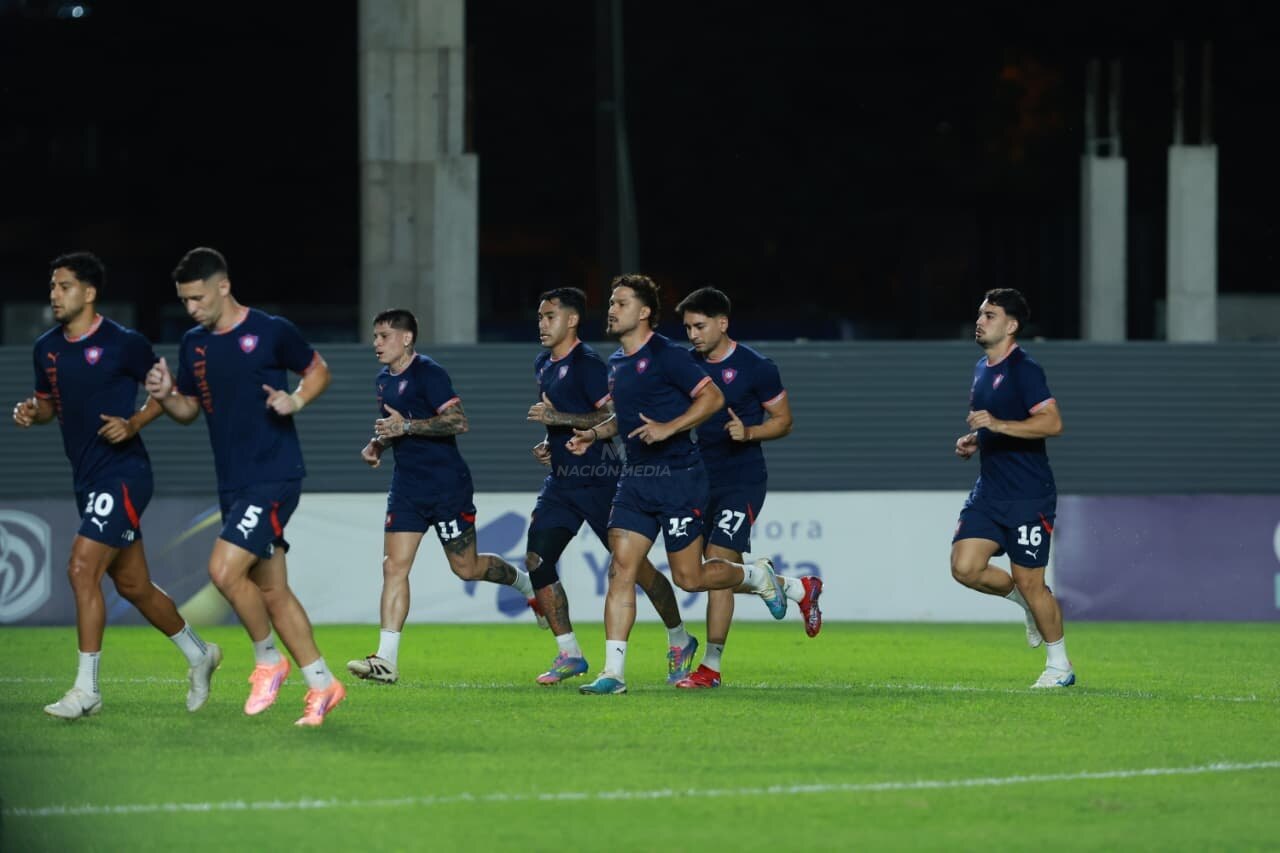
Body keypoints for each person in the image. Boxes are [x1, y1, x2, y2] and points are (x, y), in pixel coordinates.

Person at [14, 251, 220, 720]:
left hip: (124, 473)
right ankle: (199, 653)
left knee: (81, 569)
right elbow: (48, 405)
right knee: (132, 584)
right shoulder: (45, 347)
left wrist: (134, 422)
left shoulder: (124, 343)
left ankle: (86, 690)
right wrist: (32, 412)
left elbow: (163, 391)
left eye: (63, 286)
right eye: (52, 286)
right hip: (87, 478)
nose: (54, 294)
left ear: (89, 292)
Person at [144, 247, 345, 725]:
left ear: (223, 286)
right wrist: (166, 395)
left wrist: (295, 400)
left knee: (224, 570)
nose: (191, 308)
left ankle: (268, 661)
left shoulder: (271, 330)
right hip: (233, 483)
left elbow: (319, 370)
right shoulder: (193, 343)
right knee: (272, 591)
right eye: (184, 300)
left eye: (197, 298)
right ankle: (322, 684)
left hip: (274, 475)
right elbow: (189, 411)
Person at [566, 274, 786, 696]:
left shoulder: (669, 356)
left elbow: (713, 399)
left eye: (621, 302)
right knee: (621, 569)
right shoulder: (616, 363)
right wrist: (592, 435)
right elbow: (626, 418)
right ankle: (613, 673)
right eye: (611, 302)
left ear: (644, 312)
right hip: (636, 480)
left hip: (680, 479)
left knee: (690, 577)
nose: (611, 309)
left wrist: (670, 427)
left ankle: (756, 577)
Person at [347, 309, 541, 684]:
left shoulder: (429, 373)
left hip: (446, 487)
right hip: (406, 489)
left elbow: (458, 421)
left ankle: (524, 582)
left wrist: (405, 425)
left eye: (384, 336)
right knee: (393, 566)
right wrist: (377, 444)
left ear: (406, 339)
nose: (376, 344)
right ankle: (385, 659)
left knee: (465, 568)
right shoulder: (383, 381)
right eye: (374, 337)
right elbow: (395, 428)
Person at [524, 288, 696, 686]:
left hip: (601, 482)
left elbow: (610, 413)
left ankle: (679, 637)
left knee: (637, 572)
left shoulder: (588, 364)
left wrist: (560, 418)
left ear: (571, 321)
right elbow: (564, 420)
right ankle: (570, 653)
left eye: (550, 316)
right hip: (562, 484)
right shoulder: (542, 363)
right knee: (537, 559)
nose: (542, 324)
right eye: (539, 317)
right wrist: (551, 441)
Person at [674, 286, 822, 690]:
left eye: (700, 326)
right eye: (687, 327)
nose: (693, 335)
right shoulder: (685, 364)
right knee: (708, 573)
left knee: (718, 561)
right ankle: (796, 587)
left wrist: (750, 431)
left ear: (723, 323)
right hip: (696, 480)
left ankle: (711, 667)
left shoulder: (757, 367)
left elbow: (784, 421)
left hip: (741, 479)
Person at [951, 288, 1073, 688]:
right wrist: (976, 440)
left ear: (1011, 325)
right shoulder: (981, 368)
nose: (980, 320)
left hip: (1028, 495)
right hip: (989, 491)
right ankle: (1023, 600)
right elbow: (994, 422)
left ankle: (1060, 667)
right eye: (980, 314)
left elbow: (1052, 423)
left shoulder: (1025, 369)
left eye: (989, 315)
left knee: (1032, 581)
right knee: (965, 568)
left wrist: (998, 427)